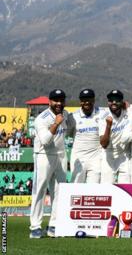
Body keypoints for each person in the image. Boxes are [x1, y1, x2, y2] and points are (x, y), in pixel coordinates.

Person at [30, 89, 75, 238]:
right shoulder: (41, 119)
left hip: (61, 155)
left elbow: (69, 131)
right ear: (49, 102)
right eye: (55, 100)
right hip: (44, 156)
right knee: (40, 191)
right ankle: (35, 227)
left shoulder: (66, 114)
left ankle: (54, 226)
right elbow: (45, 140)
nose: (59, 103)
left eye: (61, 100)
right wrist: (56, 124)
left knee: (59, 192)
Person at [69, 89, 105, 183]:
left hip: (96, 158)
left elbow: (115, 108)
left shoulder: (102, 113)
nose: (86, 102)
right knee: (76, 188)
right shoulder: (73, 116)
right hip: (78, 157)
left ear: (94, 100)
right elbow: (66, 133)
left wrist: (126, 106)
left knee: (93, 189)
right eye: (84, 100)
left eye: (89, 99)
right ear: (80, 102)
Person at [99, 90, 131, 184]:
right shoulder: (103, 116)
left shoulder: (128, 111)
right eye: (111, 100)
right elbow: (103, 144)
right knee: (107, 189)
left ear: (122, 102)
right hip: (109, 154)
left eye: (117, 100)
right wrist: (108, 126)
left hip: (124, 155)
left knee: (126, 188)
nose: (113, 102)